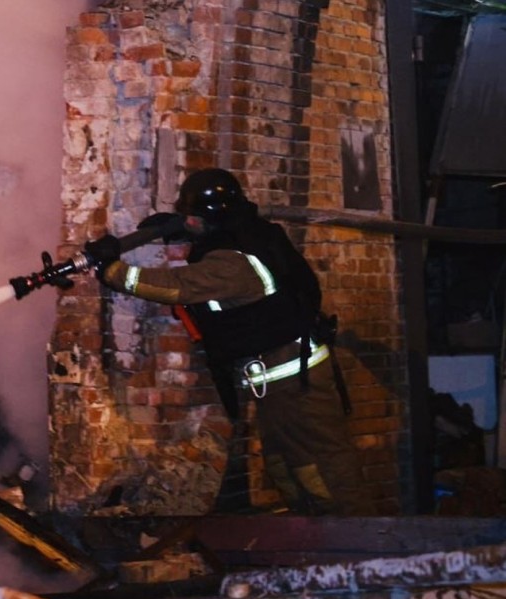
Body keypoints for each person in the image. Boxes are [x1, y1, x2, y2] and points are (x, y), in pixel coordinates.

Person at [85, 168, 373, 516]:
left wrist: (110, 270)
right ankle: (317, 545)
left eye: (193, 218)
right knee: (288, 466)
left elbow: (177, 285)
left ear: (212, 218)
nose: (188, 222)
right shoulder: (248, 233)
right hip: (281, 383)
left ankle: (358, 546)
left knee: (324, 470)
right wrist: (177, 227)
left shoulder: (232, 262)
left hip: (296, 384)